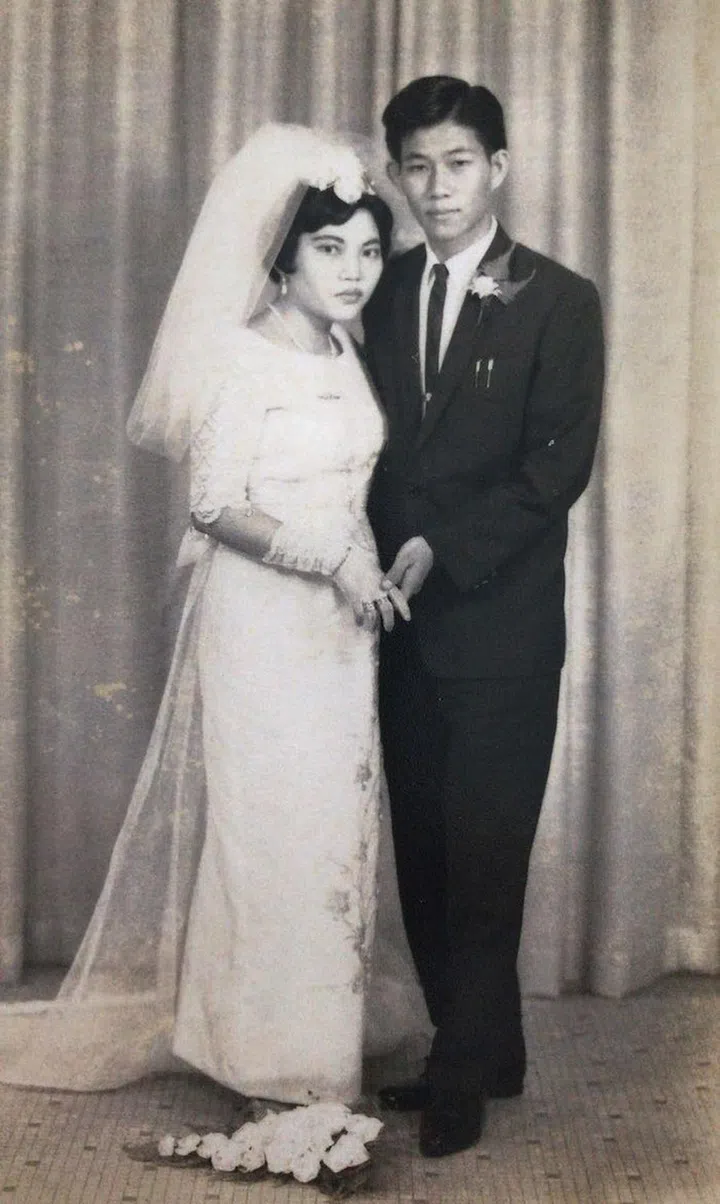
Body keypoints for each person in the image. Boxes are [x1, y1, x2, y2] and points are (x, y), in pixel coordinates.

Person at [0, 124, 429, 1107]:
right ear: (283, 256)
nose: (354, 270)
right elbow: (214, 501)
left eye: (368, 250)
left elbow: (346, 486)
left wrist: (367, 564)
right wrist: (329, 560)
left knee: (335, 822)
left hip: (338, 628)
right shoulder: (246, 360)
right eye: (330, 249)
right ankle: (271, 1058)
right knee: (269, 824)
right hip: (265, 620)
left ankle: (322, 1039)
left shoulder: (339, 349)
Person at [363, 76, 605, 1157]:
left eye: (458, 163)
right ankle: (486, 1044)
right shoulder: (377, 287)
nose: (436, 187)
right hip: (399, 630)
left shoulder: (559, 298)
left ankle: (460, 1070)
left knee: (485, 848)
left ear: (497, 169)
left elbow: (556, 468)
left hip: (501, 632)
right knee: (422, 846)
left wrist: (444, 551)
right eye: (416, 166)